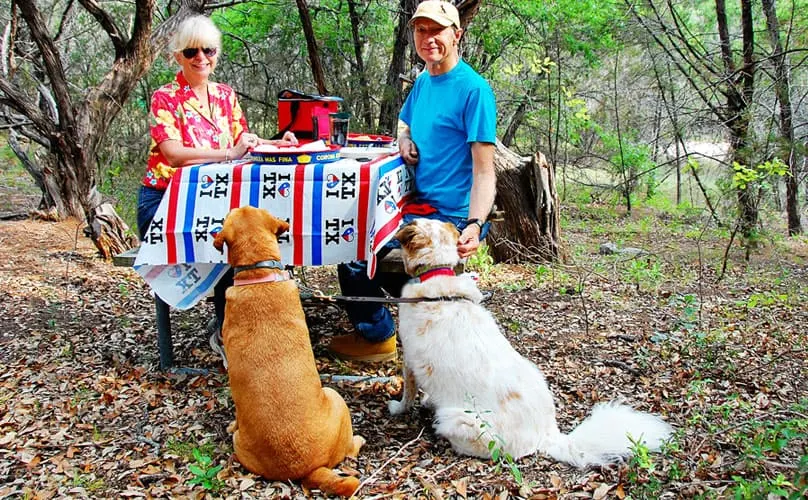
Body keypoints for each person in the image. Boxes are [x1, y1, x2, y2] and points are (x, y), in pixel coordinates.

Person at [327, 0, 497, 362]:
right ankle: (383, 329)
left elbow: (484, 171)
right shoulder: (423, 81)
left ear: (457, 35)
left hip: (450, 214)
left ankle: (378, 338)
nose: (428, 38)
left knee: (358, 253)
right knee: (350, 235)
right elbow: (405, 123)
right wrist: (404, 141)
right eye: (421, 30)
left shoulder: (474, 90)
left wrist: (475, 223)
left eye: (437, 30)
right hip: (413, 202)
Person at [137, 15, 297, 363]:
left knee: (243, 240)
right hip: (166, 201)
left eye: (208, 50)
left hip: (215, 198)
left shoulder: (225, 95)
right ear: (178, 55)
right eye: (192, 51)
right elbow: (174, 154)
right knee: (229, 241)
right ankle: (228, 334)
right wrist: (228, 153)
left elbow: (243, 141)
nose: (201, 58)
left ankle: (235, 331)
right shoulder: (165, 98)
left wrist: (277, 143)